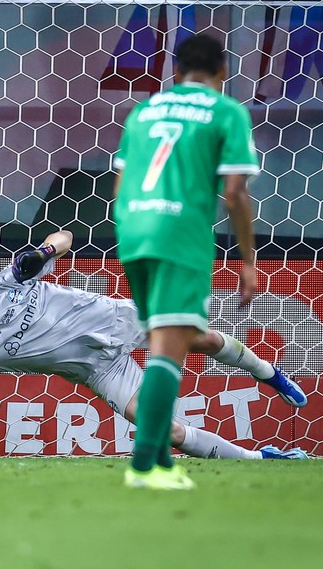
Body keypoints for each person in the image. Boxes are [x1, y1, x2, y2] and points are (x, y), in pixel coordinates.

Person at [0, 230, 307, 461]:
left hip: (115, 319)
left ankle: (267, 372)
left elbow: (65, 239)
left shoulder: (11, 278)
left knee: (201, 338)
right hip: (101, 371)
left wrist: (41, 251)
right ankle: (260, 458)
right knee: (165, 433)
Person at [112, 33, 261, 490]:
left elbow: (119, 187)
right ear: (222, 73)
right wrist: (248, 259)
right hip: (179, 235)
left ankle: (160, 463)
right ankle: (143, 469)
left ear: (176, 72)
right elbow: (234, 192)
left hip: (132, 232)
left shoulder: (145, 111)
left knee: (163, 340)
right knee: (168, 353)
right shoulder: (226, 110)